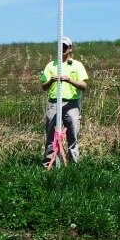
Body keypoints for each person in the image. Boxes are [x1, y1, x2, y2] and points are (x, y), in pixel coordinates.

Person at [40, 36, 88, 165]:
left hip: (71, 104)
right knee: (51, 135)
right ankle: (49, 164)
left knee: (73, 134)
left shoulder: (77, 65)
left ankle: (74, 164)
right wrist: (51, 80)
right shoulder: (51, 65)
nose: (62, 49)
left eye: (65, 47)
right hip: (54, 103)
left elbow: (84, 86)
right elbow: (44, 86)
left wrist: (69, 80)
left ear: (70, 48)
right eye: (60, 47)